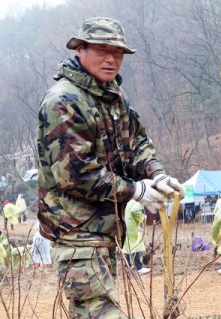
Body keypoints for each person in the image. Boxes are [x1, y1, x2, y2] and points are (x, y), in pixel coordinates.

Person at [37, 17, 184, 318]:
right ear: (80, 49)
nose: (111, 59)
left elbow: (138, 143)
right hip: (77, 236)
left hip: (105, 233)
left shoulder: (113, 97)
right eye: (102, 50)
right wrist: (136, 190)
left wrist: (156, 174)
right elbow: (77, 175)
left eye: (117, 53)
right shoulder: (63, 102)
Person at [123, 200, 150, 275]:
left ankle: (127, 266)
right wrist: (143, 217)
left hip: (126, 225)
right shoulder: (138, 202)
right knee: (136, 245)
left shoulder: (129, 201)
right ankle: (139, 268)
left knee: (127, 246)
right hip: (131, 227)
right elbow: (134, 211)